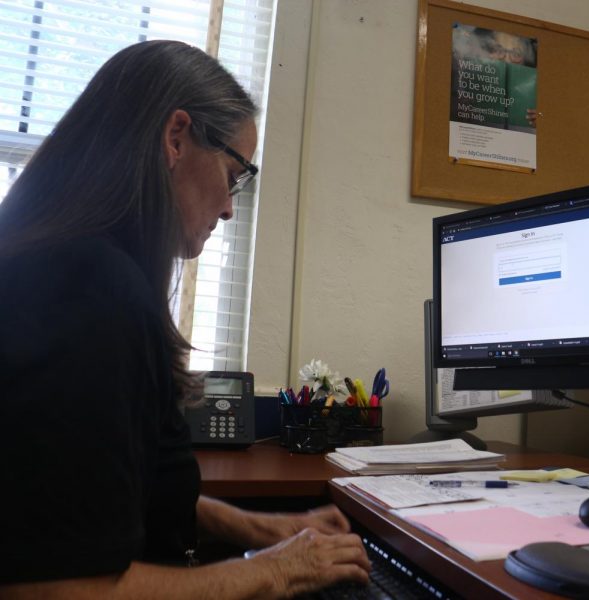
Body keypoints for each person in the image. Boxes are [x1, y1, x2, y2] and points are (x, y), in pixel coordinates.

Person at [0, 40, 370, 598]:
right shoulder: (88, 287)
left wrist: (263, 528)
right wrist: (277, 568)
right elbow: (60, 589)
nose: (228, 206)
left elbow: (95, 489)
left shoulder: (61, 264)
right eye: (235, 173)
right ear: (176, 138)